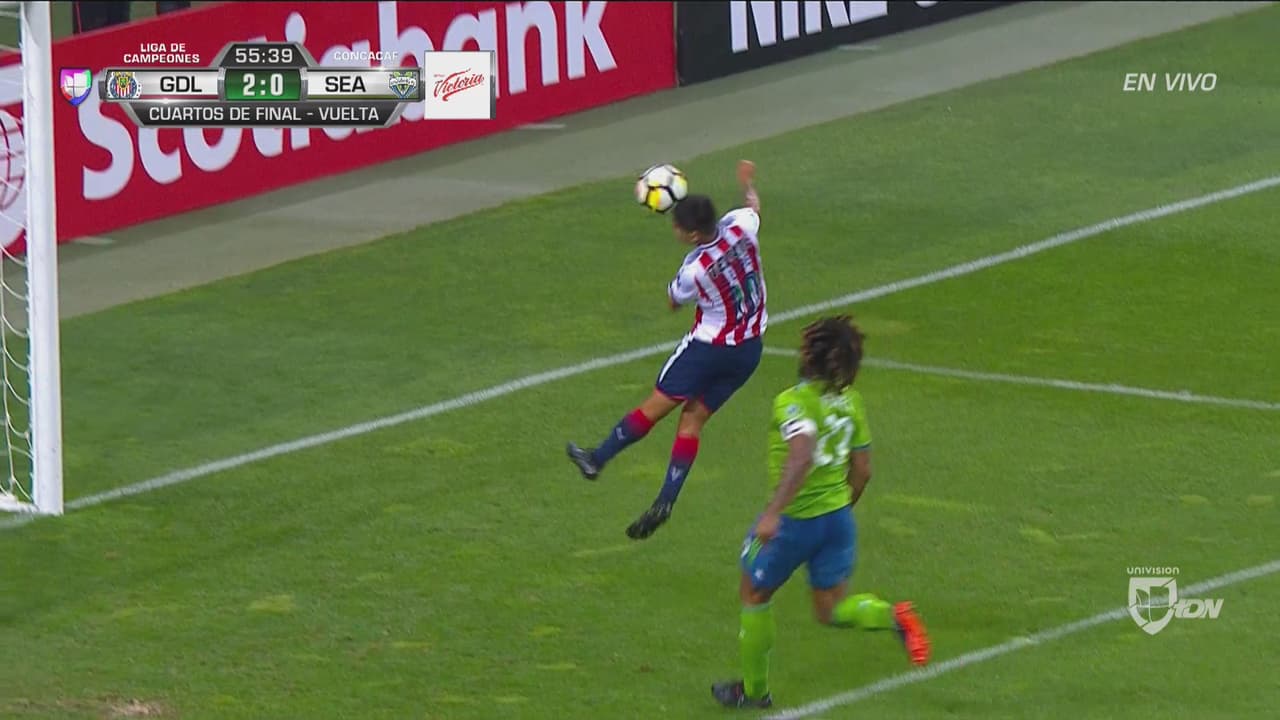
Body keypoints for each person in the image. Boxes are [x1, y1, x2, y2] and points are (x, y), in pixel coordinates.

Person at [711, 315, 931, 710]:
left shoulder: (793, 402)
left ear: (809, 355)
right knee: (831, 610)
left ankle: (755, 692)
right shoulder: (852, 402)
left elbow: (802, 454)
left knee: (754, 593)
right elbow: (862, 470)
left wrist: (773, 513)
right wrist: (840, 508)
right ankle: (893, 617)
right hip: (838, 519)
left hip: (795, 523)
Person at [567, 160, 768, 540]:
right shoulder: (742, 225)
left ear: (691, 234)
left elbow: (674, 300)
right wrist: (747, 183)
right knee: (692, 422)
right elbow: (753, 207)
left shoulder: (695, 269)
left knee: (654, 407)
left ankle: (596, 459)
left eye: (677, 227)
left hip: (708, 349)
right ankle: (665, 500)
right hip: (749, 350)